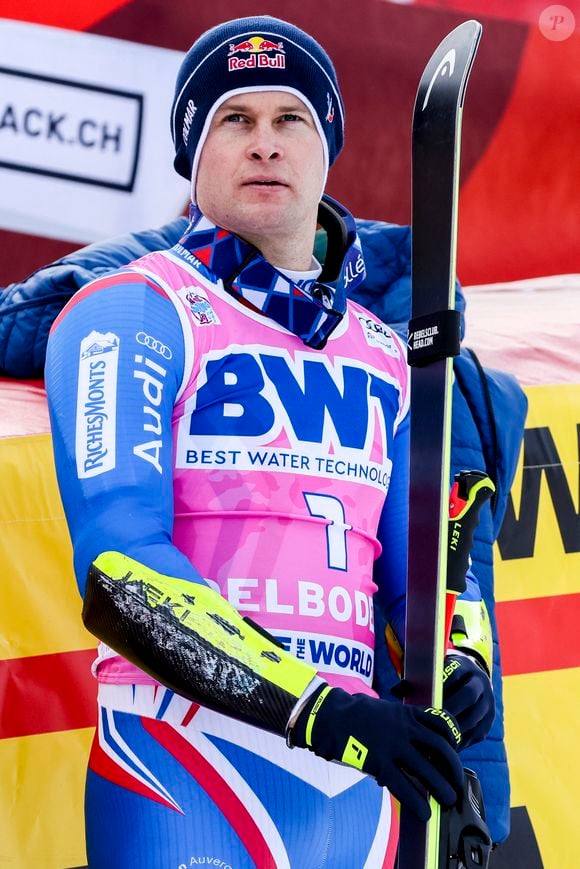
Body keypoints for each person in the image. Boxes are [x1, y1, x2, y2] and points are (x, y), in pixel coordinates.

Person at [45, 16, 496, 868]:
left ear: (326, 150)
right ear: (193, 154)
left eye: (290, 119)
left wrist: (460, 652)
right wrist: (321, 711)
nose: (265, 145)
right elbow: (120, 569)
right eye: (234, 120)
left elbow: (425, 566)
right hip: (182, 766)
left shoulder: (384, 351)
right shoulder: (130, 311)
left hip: (355, 788)